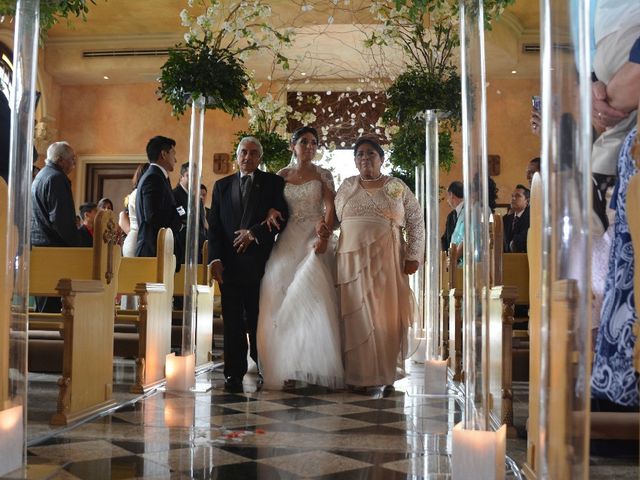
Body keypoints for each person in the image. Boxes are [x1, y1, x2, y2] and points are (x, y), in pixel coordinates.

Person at [334, 136, 424, 391]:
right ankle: (357, 374)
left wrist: (413, 256)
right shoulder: (347, 185)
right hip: (350, 260)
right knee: (355, 313)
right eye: (360, 154)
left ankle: (384, 374)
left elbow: (416, 220)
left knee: (385, 315)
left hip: (387, 258)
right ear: (354, 161)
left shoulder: (396, 186)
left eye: (371, 154)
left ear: (382, 159)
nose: (365, 158)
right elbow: (333, 219)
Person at [256, 126, 343, 390]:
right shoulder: (281, 175)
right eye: (304, 142)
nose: (310, 147)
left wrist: (324, 235)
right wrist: (270, 211)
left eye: (314, 143)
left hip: (313, 238)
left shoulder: (322, 174)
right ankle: (284, 364)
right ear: (293, 146)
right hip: (287, 239)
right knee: (277, 293)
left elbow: (330, 207)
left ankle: (312, 366)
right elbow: (270, 204)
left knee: (312, 298)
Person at [208, 136, 289, 393]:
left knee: (258, 319)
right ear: (237, 155)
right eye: (243, 152)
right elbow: (216, 228)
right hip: (229, 266)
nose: (247, 157)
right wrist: (215, 259)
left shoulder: (273, 183)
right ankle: (233, 372)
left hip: (259, 264)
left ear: (260, 158)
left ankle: (262, 365)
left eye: (253, 153)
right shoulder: (221, 186)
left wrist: (253, 233)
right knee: (232, 321)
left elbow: (282, 219)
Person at [31, 141, 80, 312]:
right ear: (60, 160)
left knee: (43, 304)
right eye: (72, 159)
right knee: (51, 307)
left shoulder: (41, 175)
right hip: (53, 250)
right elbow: (61, 219)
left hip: (39, 247)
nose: (74, 163)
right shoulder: (56, 178)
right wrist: (76, 245)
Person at [135, 136, 184, 261]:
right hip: (153, 251)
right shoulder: (153, 178)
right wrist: (179, 220)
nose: (176, 159)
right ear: (163, 154)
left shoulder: (158, 176)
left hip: (160, 249)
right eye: (173, 154)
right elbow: (152, 216)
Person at [172, 162, 207, 263]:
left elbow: (201, 224)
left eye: (196, 176)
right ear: (181, 177)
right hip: (182, 250)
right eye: (189, 175)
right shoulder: (174, 196)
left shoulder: (197, 198)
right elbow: (182, 223)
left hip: (198, 250)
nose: (193, 179)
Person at [503, 184, 530, 253]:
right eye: (512, 196)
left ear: (527, 201)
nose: (513, 198)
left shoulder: (531, 219)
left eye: (518, 196)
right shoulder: (505, 219)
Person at [441, 181, 463, 252]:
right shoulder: (450, 216)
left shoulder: (469, 212)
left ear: (451, 195)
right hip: (451, 258)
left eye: (448, 196)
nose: (447, 200)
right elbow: (445, 238)